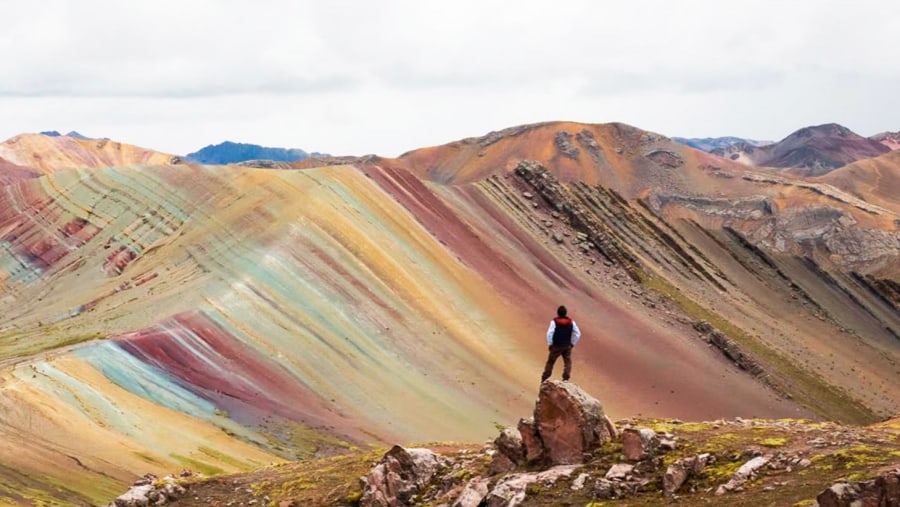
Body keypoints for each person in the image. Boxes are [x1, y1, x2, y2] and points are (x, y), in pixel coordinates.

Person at [541, 305, 581, 382]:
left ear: (558, 313)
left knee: (550, 362)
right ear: (566, 313)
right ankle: (566, 378)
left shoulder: (554, 322)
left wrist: (550, 343)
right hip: (567, 346)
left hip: (556, 345)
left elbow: (549, 333)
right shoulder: (571, 322)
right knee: (567, 362)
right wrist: (572, 343)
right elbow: (578, 333)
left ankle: (545, 378)